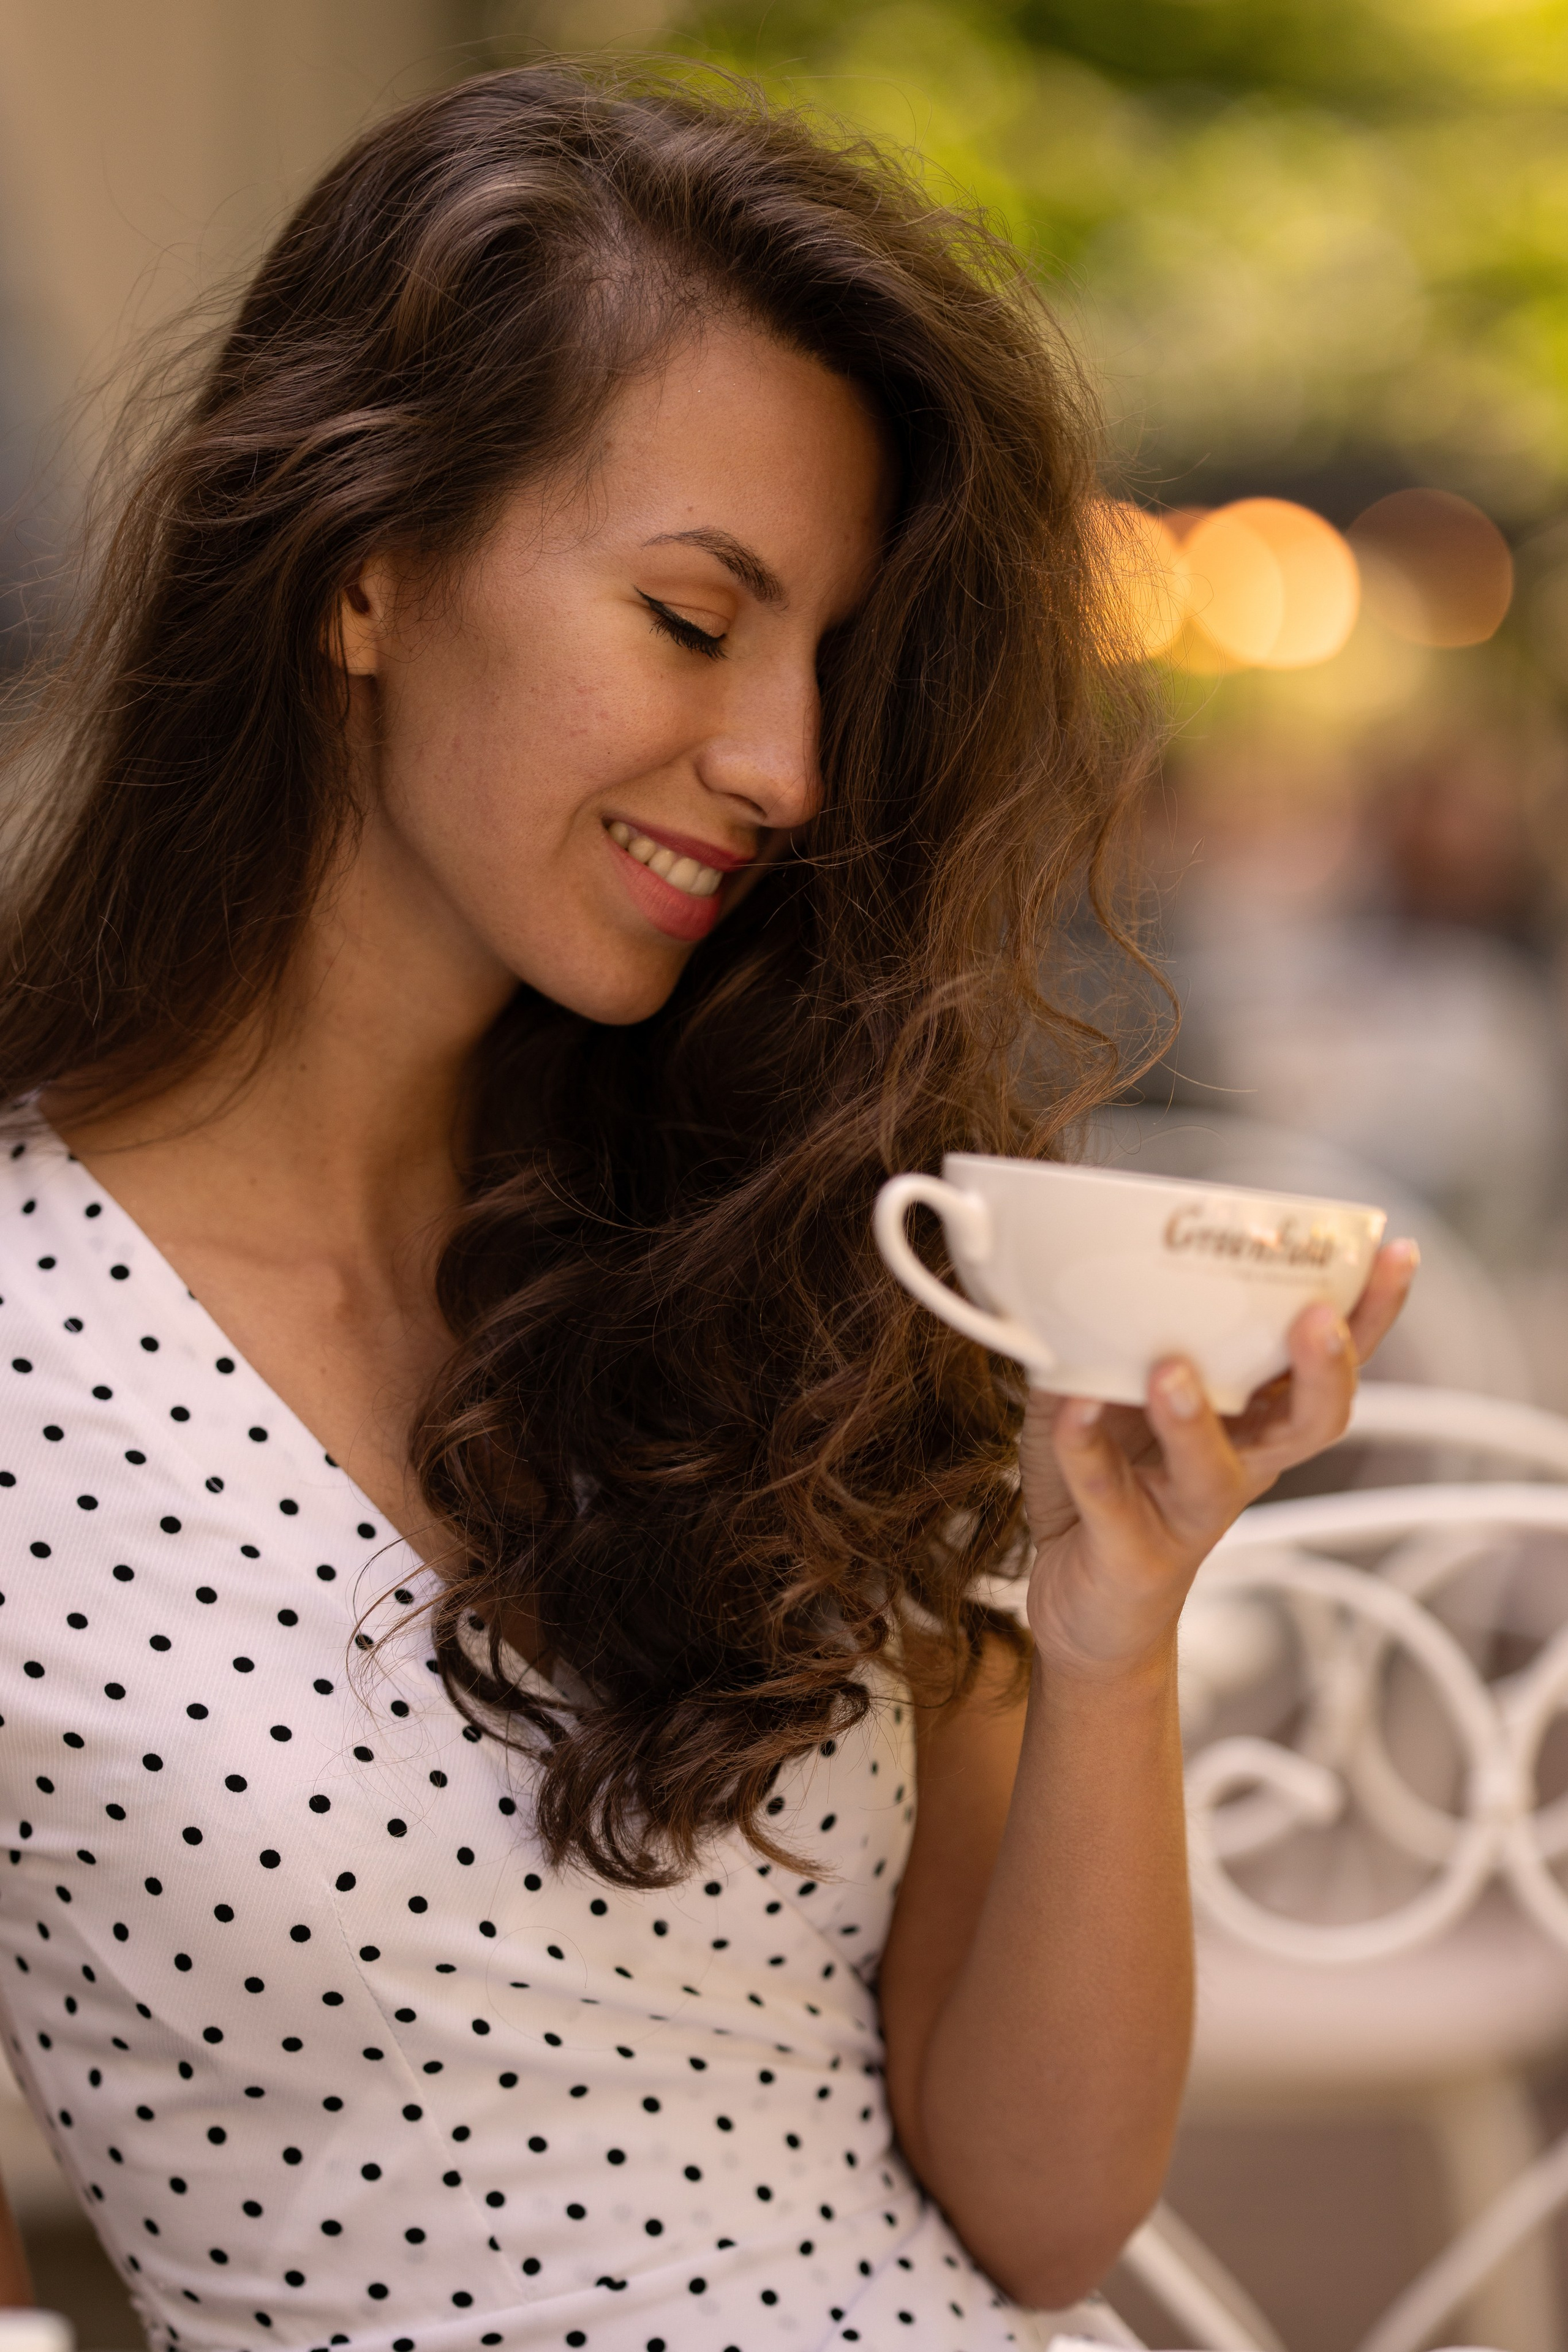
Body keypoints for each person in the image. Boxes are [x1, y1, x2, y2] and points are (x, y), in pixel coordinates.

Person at [0, 66, 1413, 2352]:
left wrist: (1108, 1631)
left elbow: (1038, 2216)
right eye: (691, 617)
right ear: (363, 567)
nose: (789, 768)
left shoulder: (780, 1260)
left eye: (830, 662)